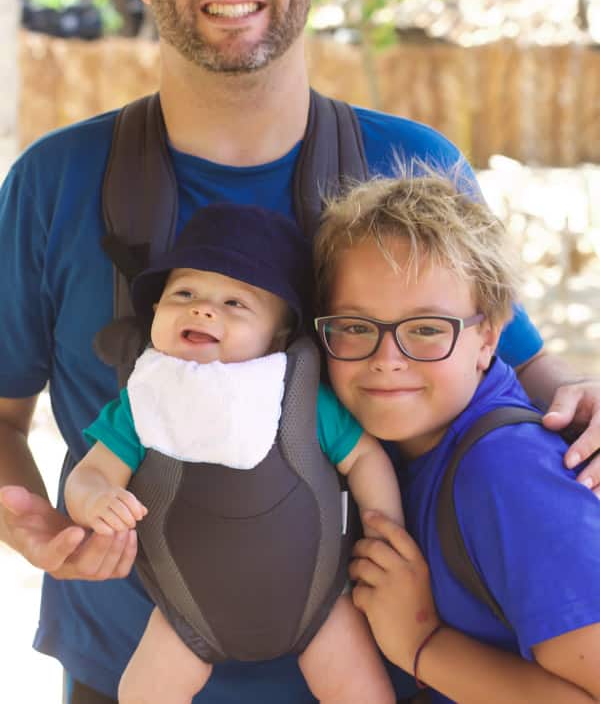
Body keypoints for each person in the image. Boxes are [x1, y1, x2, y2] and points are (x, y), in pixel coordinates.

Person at [0, 0, 598, 704]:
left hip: (371, 668)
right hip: (131, 668)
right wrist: (35, 527)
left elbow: (514, 375)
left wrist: (584, 409)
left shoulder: (413, 164)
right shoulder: (55, 179)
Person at [65, 202, 402, 704]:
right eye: (184, 293)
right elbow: (89, 473)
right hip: (188, 613)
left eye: (235, 304)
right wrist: (93, 501)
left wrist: (385, 531)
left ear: (279, 335)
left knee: (362, 693)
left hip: (318, 604)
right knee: (140, 692)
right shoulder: (146, 402)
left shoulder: (298, 395)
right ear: (156, 310)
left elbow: (364, 457)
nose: (203, 309)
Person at [312, 170, 600, 703]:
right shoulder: (394, 452)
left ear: (488, 336)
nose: (386, 360)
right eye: (354, 327)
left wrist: (422, 643)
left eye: (425, 329)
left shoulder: (508, 473)